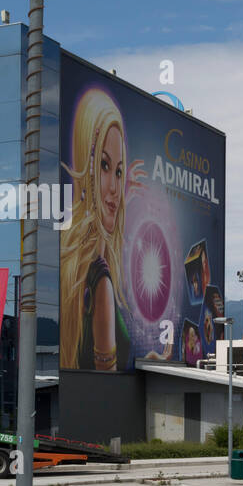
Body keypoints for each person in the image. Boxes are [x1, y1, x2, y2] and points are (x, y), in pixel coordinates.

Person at [59, 88, 169, 369]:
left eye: (118, 172)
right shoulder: (101, 284)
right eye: (104, 166)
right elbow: (106, 389)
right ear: (87, 163)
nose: (114, 188)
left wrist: (152, 361)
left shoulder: (75, 263)